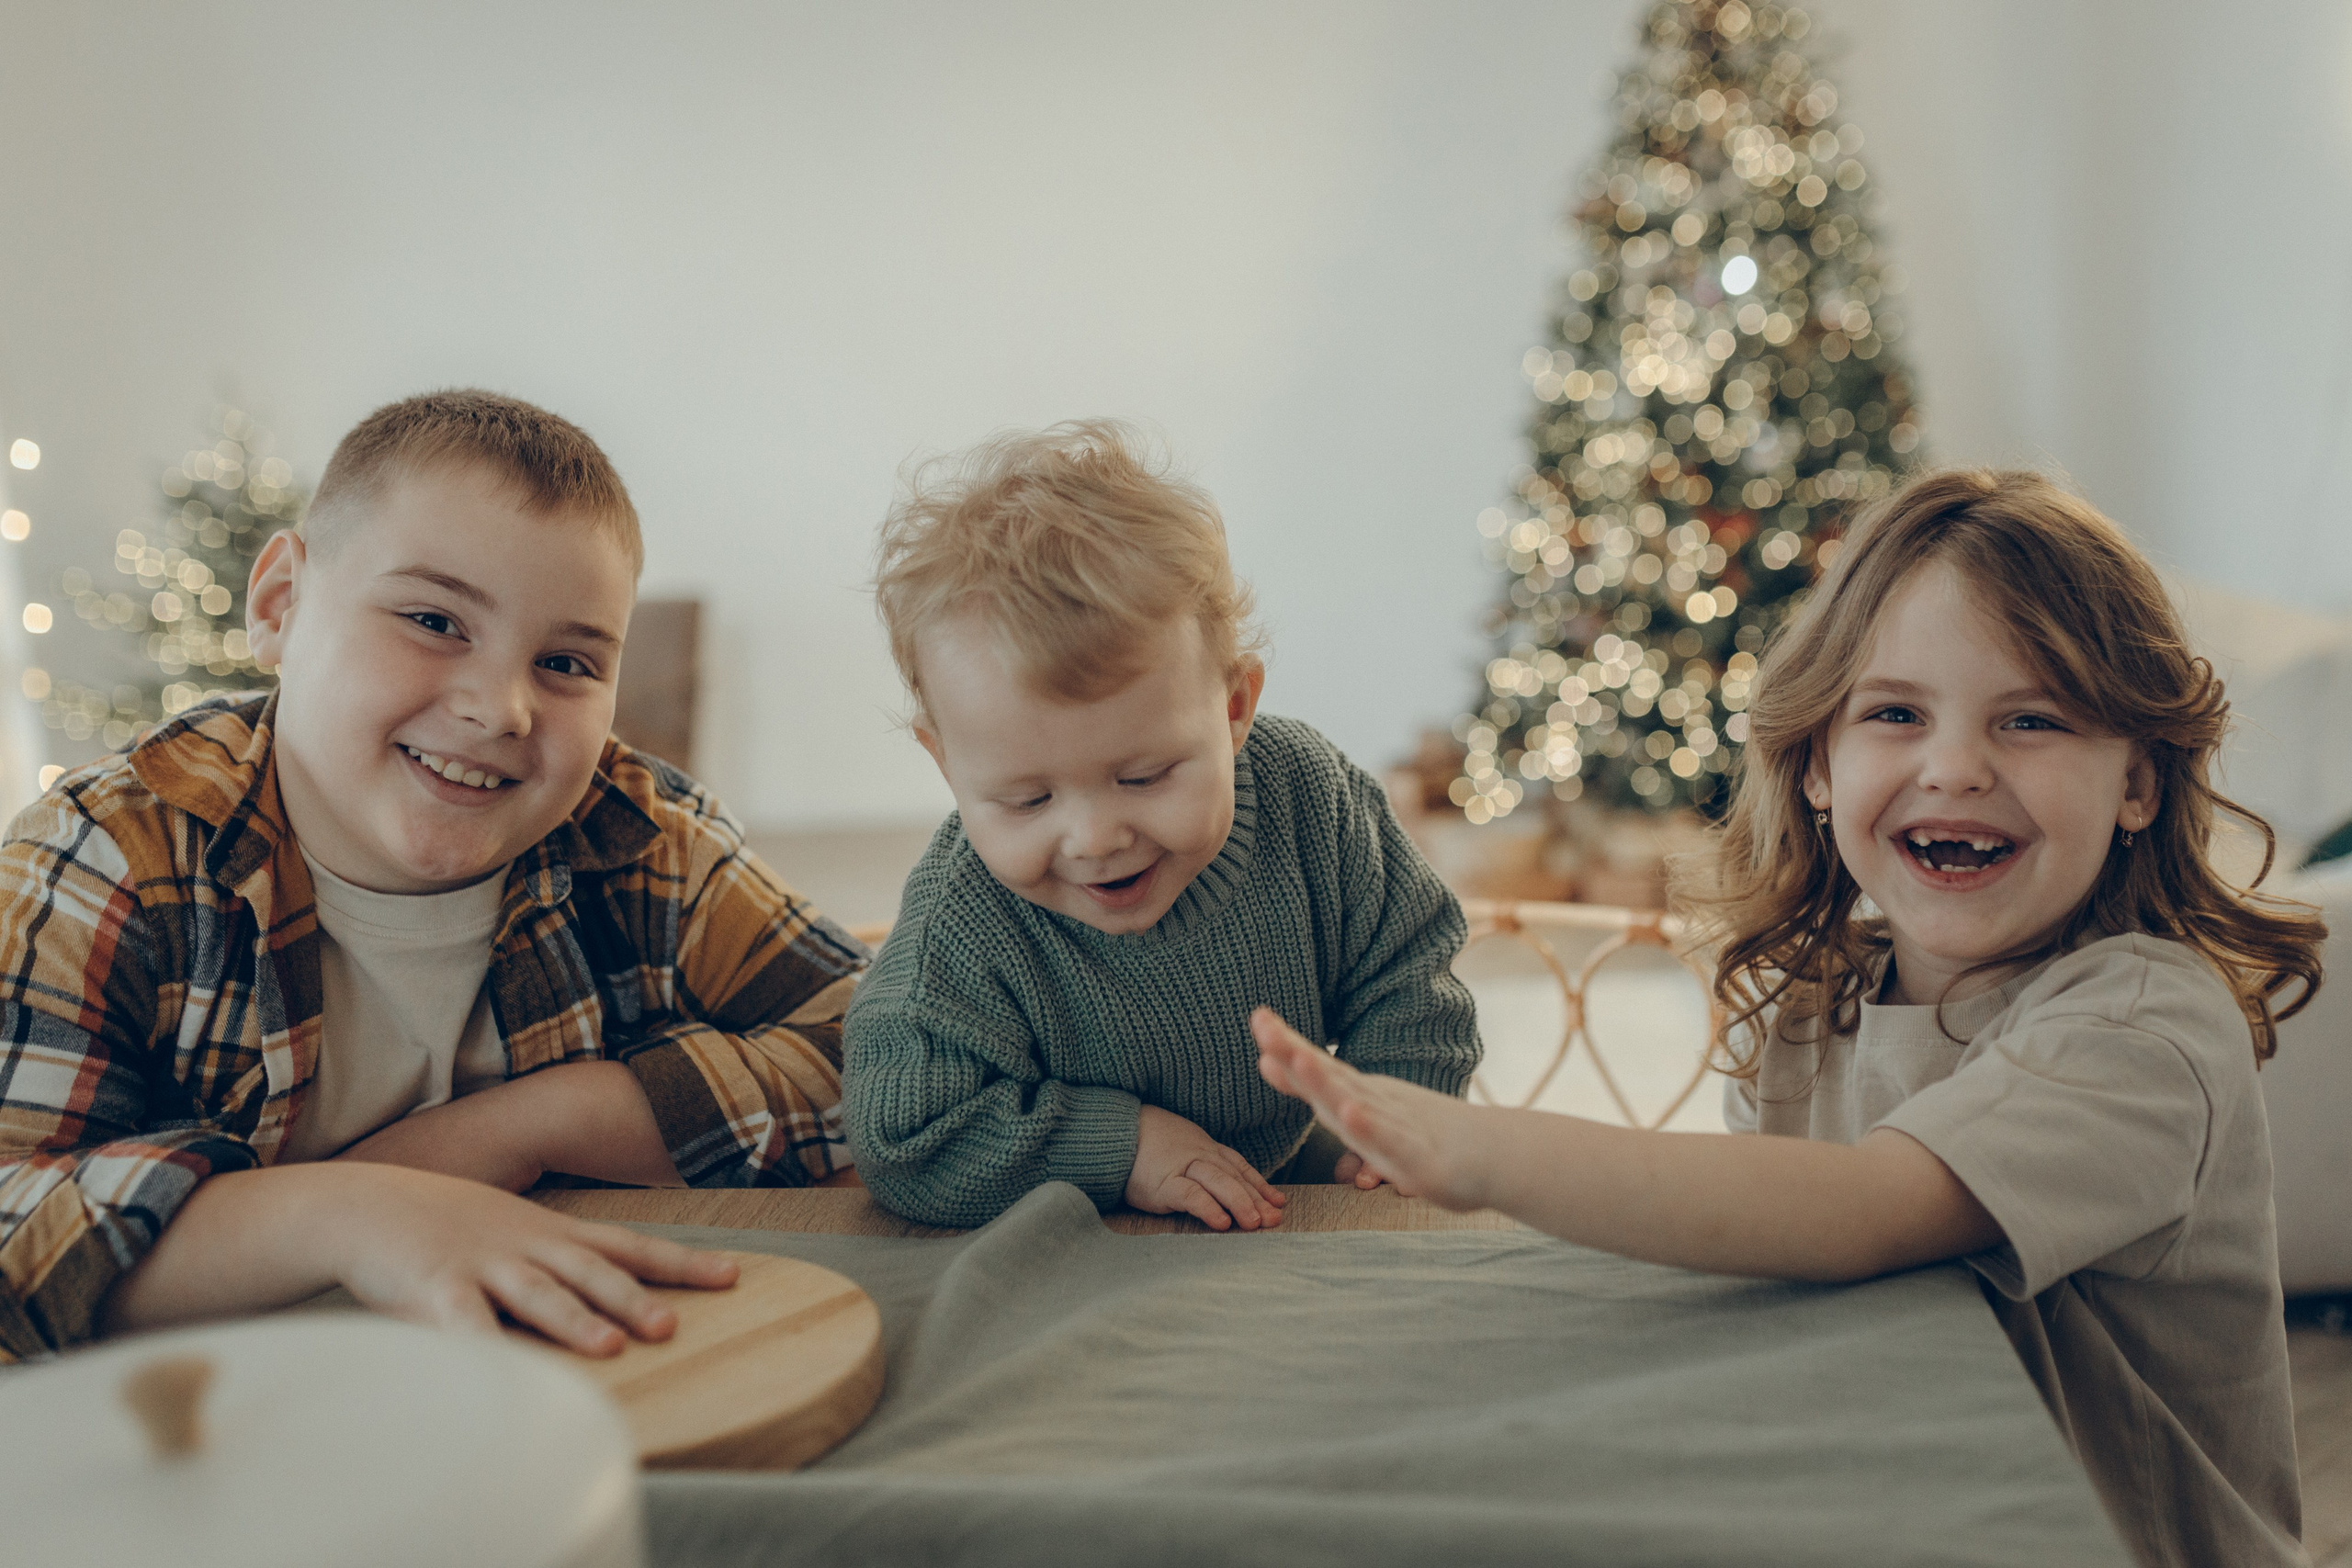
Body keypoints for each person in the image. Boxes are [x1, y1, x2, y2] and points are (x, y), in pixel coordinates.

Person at [1256, 468, 2323, 1568]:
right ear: (1817, 763)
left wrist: (1487, 1153)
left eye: (2033, 719)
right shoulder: (1810, 1008)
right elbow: (1778, 1274)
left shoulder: (2143, 1026)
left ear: (2138, 785)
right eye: (1896, 713)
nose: (1955, 767)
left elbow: (1862, 1212)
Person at [0, 390, 865, 1363]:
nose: (501, 709)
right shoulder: (102, 861)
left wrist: (529, 1126)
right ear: (280, 604)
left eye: (567, 663)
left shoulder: (636, 837)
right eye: (433, 619)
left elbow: (897, 1050)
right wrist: (348, 1211)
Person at [841, 420, 1480, 1231]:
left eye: (1143, 777)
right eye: (1028, 801)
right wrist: (1121, 1148)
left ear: (1235, 707)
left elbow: (1408, 964)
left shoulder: (1308, 798)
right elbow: (904, 1139)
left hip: (1291, 1166)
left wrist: (1400, 1111)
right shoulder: (960, 925)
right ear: (947, 767)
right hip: (1090, 1214)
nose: (1095, 838)